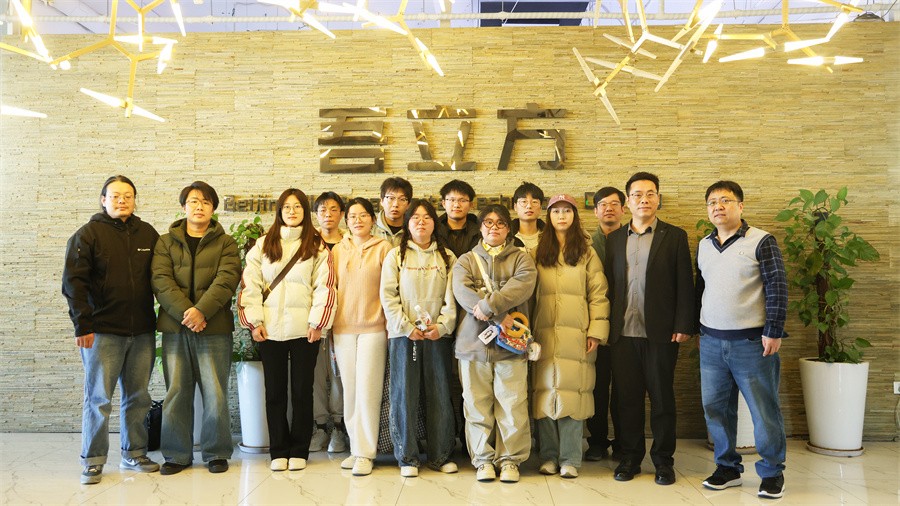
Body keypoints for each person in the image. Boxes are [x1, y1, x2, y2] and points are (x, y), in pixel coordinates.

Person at [62, 175, 160, 485]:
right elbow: (73, 284)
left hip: (142, 331)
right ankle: (93, 460)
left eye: (128, 196)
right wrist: (82, 325)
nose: (122, 201)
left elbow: (161, 278)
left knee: (138, 397)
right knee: (99, 399)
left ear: (135, 200)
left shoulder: (148, 234)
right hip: (101, 332)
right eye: (115, 196)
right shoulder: (87, 235)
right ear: (103, 200)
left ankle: (134, 453)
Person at [696, 181, 788, 499]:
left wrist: (773, 330)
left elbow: (777, 286)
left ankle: (772, 472)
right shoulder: (704, 245)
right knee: (716, 409)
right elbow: (701, 289)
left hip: (752, 343)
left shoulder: (761, 241)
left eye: (725, 200)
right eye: (712, 202)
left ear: (740, 206)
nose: (718, 206)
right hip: (711, 342)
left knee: (764, 410)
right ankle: (727, 468)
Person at [605, 172, 695, 486]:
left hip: (662, 333)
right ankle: (630, 458)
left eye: (650, 194)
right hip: (622, 334)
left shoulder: (674, 236)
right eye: (638, 194)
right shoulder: (615, 239)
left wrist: (684, 323)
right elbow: (608, 286)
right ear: (627, 202)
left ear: (658, 199)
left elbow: (685, 282)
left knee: (662, 399)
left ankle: (663, 462)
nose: (644, 199)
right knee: (627, 400)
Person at [237, 188, 336, 472]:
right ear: (279, 211)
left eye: (297, 207)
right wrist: (254, 322)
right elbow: (250, 285)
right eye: (287, 207)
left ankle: (299, 449)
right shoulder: (263, 244)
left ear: (305, 212)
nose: (292, 212)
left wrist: (317, 323)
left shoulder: (316, 245)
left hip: (305, 330)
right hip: (269, 330)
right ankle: (278, 450)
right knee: (275, 392)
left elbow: (325, 287)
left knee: (303, 391)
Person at [151, 181, 241, 475]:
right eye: (193, 201)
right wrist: (187, 313)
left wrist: (201, 311)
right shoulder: (165, 242)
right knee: (176, 391)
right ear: (183, 207)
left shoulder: (226, 243)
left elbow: (227, 280)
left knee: (215, 392)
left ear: (213, 208)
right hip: (175, 328)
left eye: (205, 202)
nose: (199, 206)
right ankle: (176, 454)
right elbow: (161, 281)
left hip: (214, 328)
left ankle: (216, 452)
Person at [452, 204, 537, 483]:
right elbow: (462, 292)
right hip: (472, 345)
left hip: (511, 346)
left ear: (508, 229)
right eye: (488, 222)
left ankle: (510, 460)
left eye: (500, 223)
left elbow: (521, 287)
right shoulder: (465, 260)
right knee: (476, 405)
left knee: (512, 405)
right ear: (480, 227)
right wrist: (499, 315)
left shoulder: (522, 258)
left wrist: (489, 308)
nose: (494, 227)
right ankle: (483, 460)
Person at [531, 194, 610, 479]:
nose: (561, 216)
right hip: (543, 335)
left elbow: (599, 294)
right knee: (544, 393)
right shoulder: (537, 251)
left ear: (575, 216)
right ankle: (549, 456)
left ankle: (570, 458)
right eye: (556, 211)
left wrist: (596, 332)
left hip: (578, 336)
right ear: (549, 217)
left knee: (573, 396)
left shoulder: (587, 252)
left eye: (567, 211)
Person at [380, 199, 458, 478]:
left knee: (439, 392)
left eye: (427, 218)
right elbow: (388, 296)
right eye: (415, 218)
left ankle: (440, 455)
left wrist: (443, 326)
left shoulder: (447, 257)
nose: (421, 222)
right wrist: (404, 326)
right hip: (404, 336)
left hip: (437, 335)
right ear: (407, 223)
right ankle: (407, 457)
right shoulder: (395, 256)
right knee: (404, 393)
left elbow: (452, 298)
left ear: (435, 223)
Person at [331, 198, 393, 476]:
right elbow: (330, 288)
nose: (358, 220)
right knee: (350, 390)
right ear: (346, 221)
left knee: (369, 391)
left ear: (373, 219)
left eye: (363, 215)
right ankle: (356, 448)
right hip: (342, 329)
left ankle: (366, 453)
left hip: (374, 328)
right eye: (353, 216)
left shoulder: (384, 248)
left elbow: (390, 290)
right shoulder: (336, 250)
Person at [585, 186, 626, 462]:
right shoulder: (587, 244)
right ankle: (597, 441)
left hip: (625, 327)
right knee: (596, 388)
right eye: (603, 204)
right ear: (596, 210)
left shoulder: (632, 240)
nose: (609, 208)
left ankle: (623, 442)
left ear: (623, 209)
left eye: (614, 204)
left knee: (624, 390)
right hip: (595, 328)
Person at [310, 192, 347, 453]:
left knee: (339, 375)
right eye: (323, 210)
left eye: (334, 209)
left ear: (342, 214)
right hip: (314, 320)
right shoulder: (308, 243)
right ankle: (320, 427)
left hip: (344, 318)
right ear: (315, 214)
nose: (328, 215)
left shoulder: (350, 243)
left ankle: (340, 428)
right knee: (315, 374)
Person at [436, 179, 480, 258]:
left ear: (470, 205)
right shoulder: (434, 230)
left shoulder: (480, 231)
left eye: (462, 200)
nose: (456, 205)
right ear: (443, 203)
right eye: (452, 200)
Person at [373, 177, 412, 247]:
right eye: (391, 198)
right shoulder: (370, 228)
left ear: (408, 205)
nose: (396, 204)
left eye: (402, 199)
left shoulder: (413, 230)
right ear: (381, 201)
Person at [509, 181, 545, 253]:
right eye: (524, 201)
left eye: (534, 202)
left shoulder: (550, 236)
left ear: (540, 208)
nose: (529, 206)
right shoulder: (506, 237)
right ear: (515, 207)